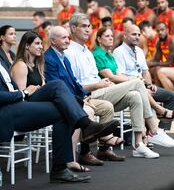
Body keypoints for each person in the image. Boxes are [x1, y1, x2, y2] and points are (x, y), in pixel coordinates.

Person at [0, 20, 119, 183]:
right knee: (61, 103)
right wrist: (24, 93)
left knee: (58, 91)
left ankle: (66, 158)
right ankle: (82, 131)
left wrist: (26, 94)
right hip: (0, 113)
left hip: (16, 105)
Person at [66, 13, 174, 158]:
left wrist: (108, 84)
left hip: (103, 89)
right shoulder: (70, 52)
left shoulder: (87, 52)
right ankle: (155, 127)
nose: (88, 29)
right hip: (89, 94)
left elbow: (116, 75)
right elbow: (75, 84)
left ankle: (139, 145)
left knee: (135, 95)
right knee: (137, 83)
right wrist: (99, 84)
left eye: (89, 26)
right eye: (84, 26)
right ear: (73, 28)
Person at [45, 26, 125, 163]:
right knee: (86, 110)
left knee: (106, 107)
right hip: (62, 101)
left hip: (77, 97)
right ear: (53, 41)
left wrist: (84, 95)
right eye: (63, 38)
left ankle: (103, 148)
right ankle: (82, 153)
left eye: (67, 37)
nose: (67, 40)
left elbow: (74, 82)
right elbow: (57, 87)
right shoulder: (49, 59)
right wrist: (80, 99)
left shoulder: (63, 57)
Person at [113, 24, 174, 130]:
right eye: (134, 34)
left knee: (171, 96)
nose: (137, 37)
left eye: (139, 34)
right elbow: (121, 76)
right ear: (125, 35)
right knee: (142, 96)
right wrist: (142, 87)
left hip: (143, 86)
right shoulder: (118, 52)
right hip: (130, 89)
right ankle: (158, 119)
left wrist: (149, 85)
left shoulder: (139, 51)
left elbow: (145, 72)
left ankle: (162, 131)